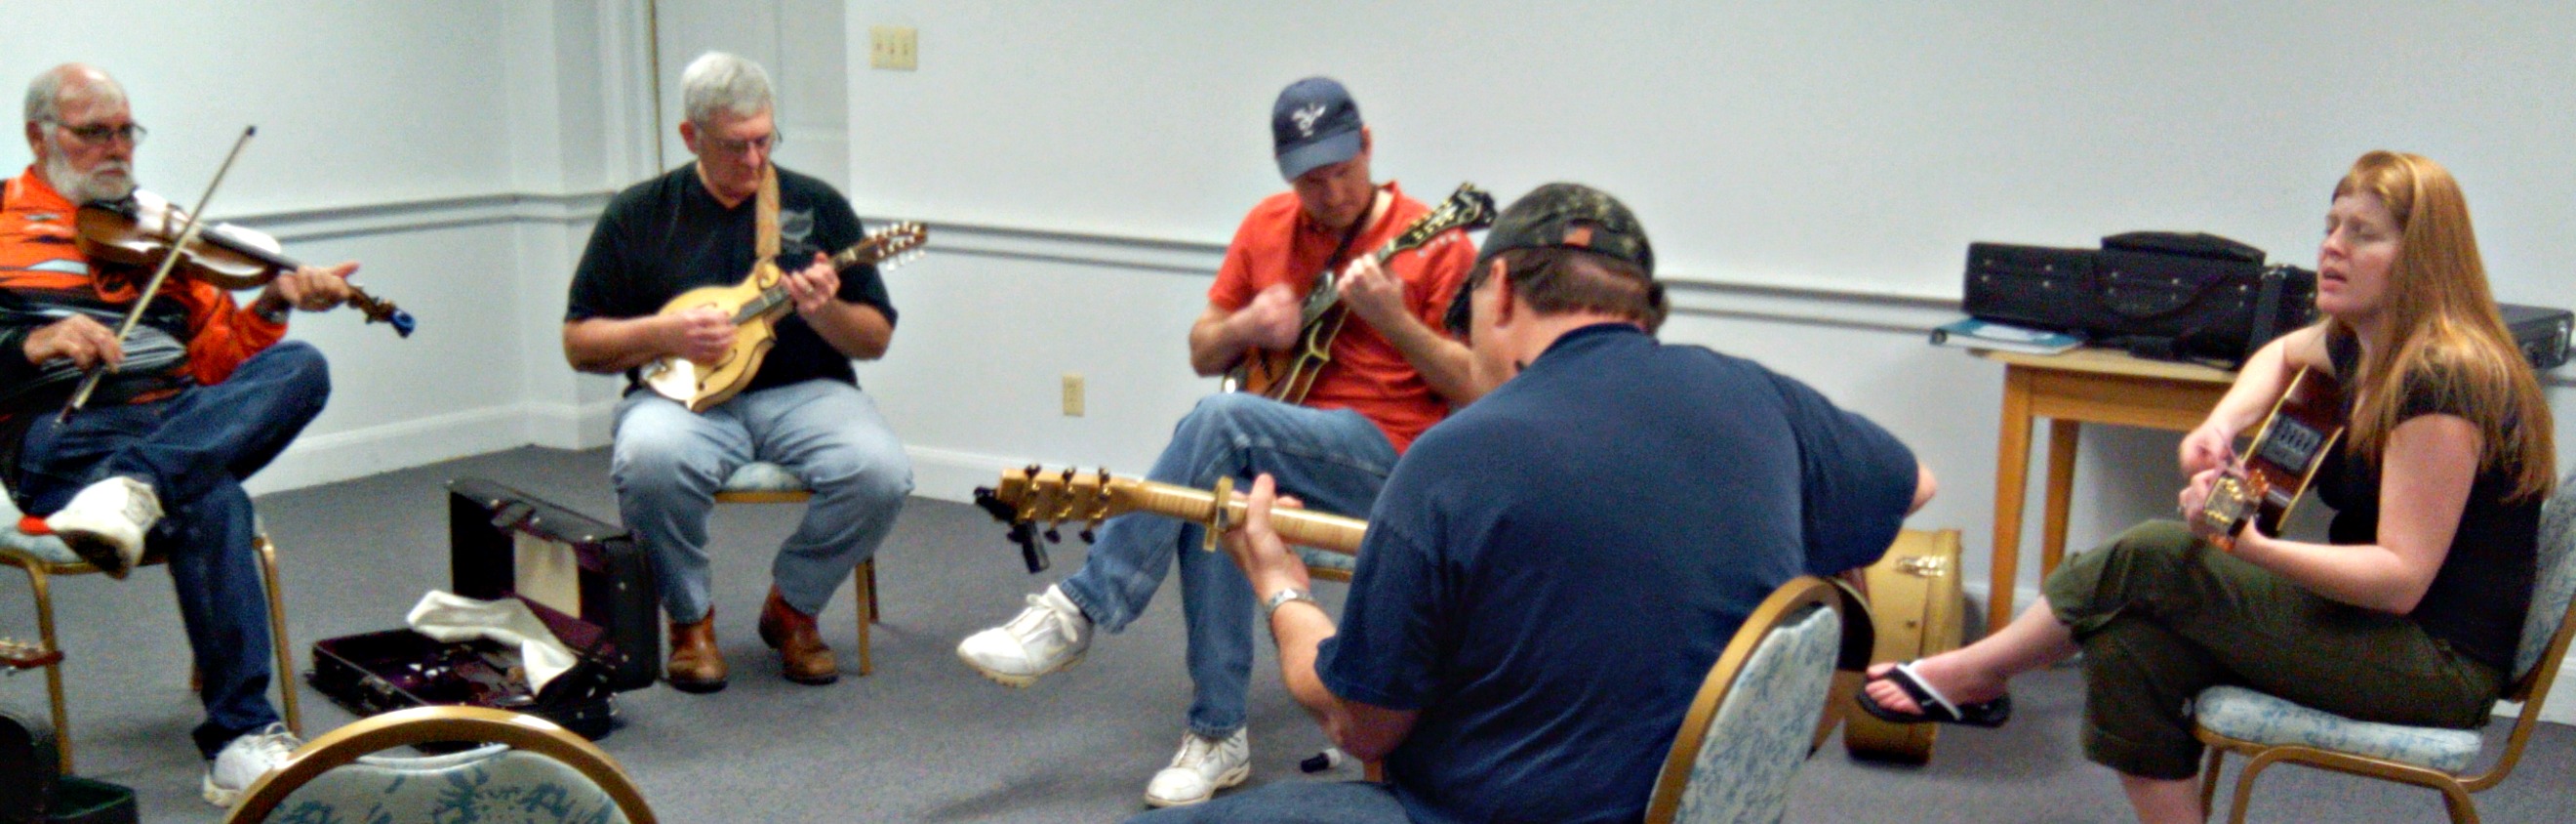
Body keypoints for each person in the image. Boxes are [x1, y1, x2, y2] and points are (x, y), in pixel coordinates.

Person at [1143, 183, 1937, 823]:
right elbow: (1914, 485)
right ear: (1638, 305)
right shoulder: (1764, 399)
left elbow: (1360, 725)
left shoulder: (1452, 460)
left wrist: (1280, 588)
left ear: (1500, 288)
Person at [1858, 151, 2556, 824]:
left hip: (2434, 664)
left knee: (2160, 552)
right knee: (2130, 647)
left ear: (2422, 256)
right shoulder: (2363, 341)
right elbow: (2283, 352)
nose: (2332, 248)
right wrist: (2222, 424)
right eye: (2330, 226)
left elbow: (2400, 579)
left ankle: (1977, 672)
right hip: (2373, 629)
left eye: (2363, 234)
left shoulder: (2441, 380)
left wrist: (2245, 546)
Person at [954, 76, 1478, 807]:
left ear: (1367, 146)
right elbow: (1205, 350)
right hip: (1283, 450)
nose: (1327, 193)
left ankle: (1080, 608)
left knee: (1219, 426)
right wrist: (1247, 329)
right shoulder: (1267, 225)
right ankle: (1217, 734)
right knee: (1219, 498)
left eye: (1340, 172)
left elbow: (1480, 388)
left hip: (1391, 466)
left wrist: (1395, 322)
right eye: (1308, 179)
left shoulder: (1439, 242)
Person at [1, 63, 366, 806]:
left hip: (171, 425)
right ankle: (240, 736)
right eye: (92, 132)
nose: (115, 149)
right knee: (215, 496)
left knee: (301, 366)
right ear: (39, 136)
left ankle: (137, 486)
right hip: (63, 438)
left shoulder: (160, 232)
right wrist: (29, 345)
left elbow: (214, 359)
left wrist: (268, 304)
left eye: (124, 132)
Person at [562, 52, 911, 693]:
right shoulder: (640, 214)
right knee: (649, 462)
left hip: (807, 394)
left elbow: (875, 339)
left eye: (764, 141)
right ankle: (691, 622)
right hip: (682, 399)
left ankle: (793, 609)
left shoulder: (815, 206)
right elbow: (580, 343)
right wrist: (664, 333)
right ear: (691, 136)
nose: (753, 161)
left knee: (881, 472)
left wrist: (823, 307)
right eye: (734, 146)